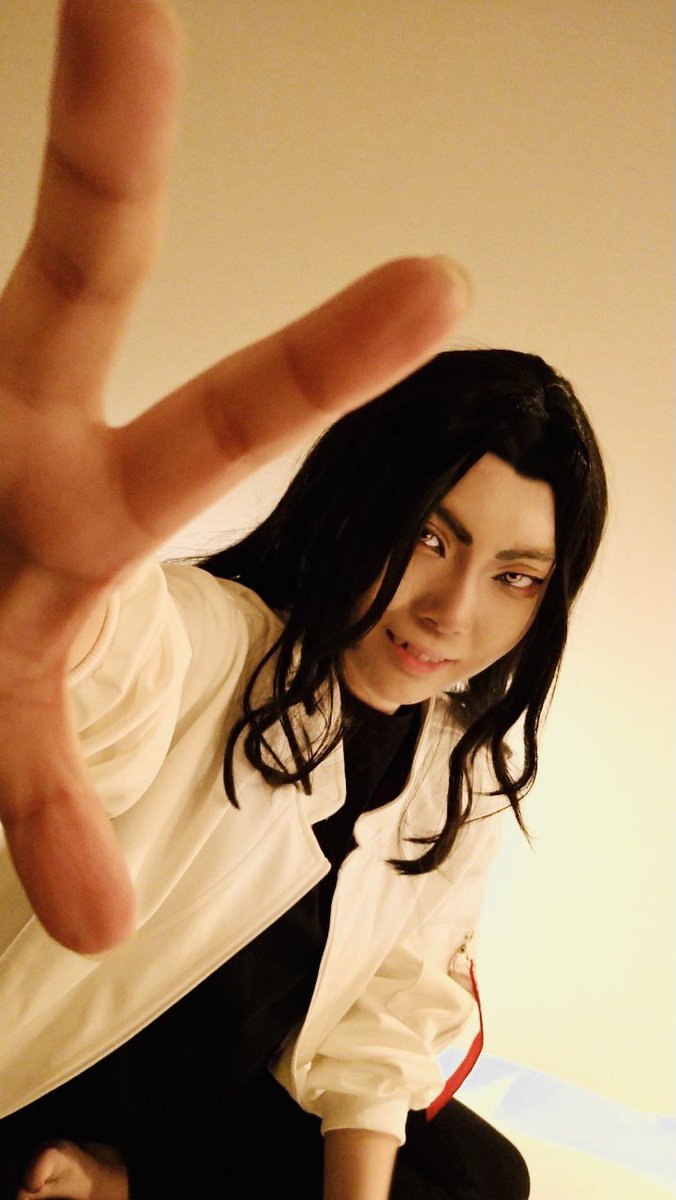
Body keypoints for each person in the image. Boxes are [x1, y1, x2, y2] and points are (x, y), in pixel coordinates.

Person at [0, 3, 608, 1199]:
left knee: (476, 1174)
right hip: (50, 1074)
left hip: (208, 1115)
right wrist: (42, 591)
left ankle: (120, 1179)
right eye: (428, 536)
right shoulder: (211, 646)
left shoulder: (460, 762)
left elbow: (386, 1016)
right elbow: (113, 665)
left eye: (514, 577)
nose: (450, 613)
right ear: (351, 509)